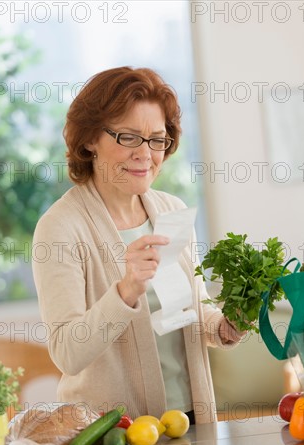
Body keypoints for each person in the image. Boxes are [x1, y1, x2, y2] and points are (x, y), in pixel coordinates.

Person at [32, 67, 245, 425]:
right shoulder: (61, 227)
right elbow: (68, 353)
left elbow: (185, 311)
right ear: (89, 140)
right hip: (111, 436)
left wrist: (224, 327)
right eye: (128, 137)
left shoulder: (171, 211)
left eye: (157, 139)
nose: (145, 154)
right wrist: (127, 290)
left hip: (189, 423)